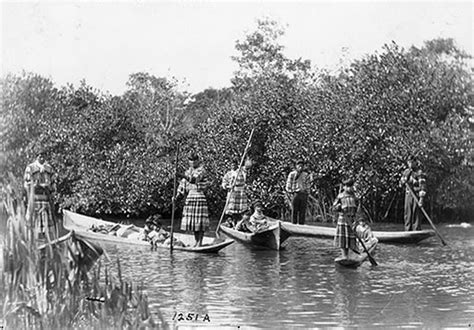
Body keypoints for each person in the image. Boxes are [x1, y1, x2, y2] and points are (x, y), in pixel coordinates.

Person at [176, 153, 210, 247]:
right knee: (193, 222)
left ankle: (200, 242)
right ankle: (196, 241)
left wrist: (181, 175)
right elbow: (182, 185)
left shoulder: (201, 170)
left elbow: (194, 180)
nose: (193, 162)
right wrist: (177, 196)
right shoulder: (187, 171)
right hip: (190, 197)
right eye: (191, 160)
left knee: (200, 221)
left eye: (195, 160)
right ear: (189, 161)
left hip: (199, 196)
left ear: (198, 160)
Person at [23, 151, 57, 239]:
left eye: (44, 155)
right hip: (35, 199)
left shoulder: (49, 168)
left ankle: (47, 243)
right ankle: (34, 243)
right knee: (34, 222)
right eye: (40, 155)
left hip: (46, 199)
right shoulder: (30, 168)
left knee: (47, 223)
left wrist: (51, 191)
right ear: (36, 156)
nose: (42, 157)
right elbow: (26, 184)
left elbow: (53, 184)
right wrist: (36, 185)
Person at [333, 178, 359, 259]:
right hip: (343, 220)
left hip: (352, 220)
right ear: (344, 187)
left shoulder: (355, 197)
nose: (349, 188)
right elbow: (333, 208)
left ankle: (350, 256)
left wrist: (356, 221)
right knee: (343, 239)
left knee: (351, 239)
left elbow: (358, 210)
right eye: (347, 186)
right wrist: (337, 207)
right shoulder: (340, 196)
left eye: (351, 186)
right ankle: (344, 256)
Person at [221, 158, 251, 227]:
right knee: (231, 209)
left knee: (241, 210)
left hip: (241, 193)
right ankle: (231, 222)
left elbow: (248, 165)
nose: (233, 166)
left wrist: (247, 156)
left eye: (234, 165)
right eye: (232, 165)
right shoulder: (228, 174)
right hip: (232, 193)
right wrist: (229, 186)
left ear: (237, 165)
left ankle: (240, 224)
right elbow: (224, 184)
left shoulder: (242, 171)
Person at [285, 159, 312, 225]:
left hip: (303, 194)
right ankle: (293, 224)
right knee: (294, 210)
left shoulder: (305, 174)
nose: (300, 167)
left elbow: (308, 185)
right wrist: (290, 191)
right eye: (299, 166)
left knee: (302, 211)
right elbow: (288, 184)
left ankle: (301, 224)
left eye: (302, 166)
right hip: (296, 193)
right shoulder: (292, 174)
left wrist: (307, 192)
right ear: (296, 166)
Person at [399, 157, 419, 231]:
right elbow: (400, 184)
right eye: (408, 162)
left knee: (415, 213)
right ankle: (407, 230)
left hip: (416, 195)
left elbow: (422, 186)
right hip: (408, 194)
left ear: (415, 162)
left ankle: (416, 230)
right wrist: (402, 181)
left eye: (411, 162)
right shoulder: (406, 172)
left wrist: (421, 200)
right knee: (407, 213)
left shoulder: (419, 172)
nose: (410, 164)